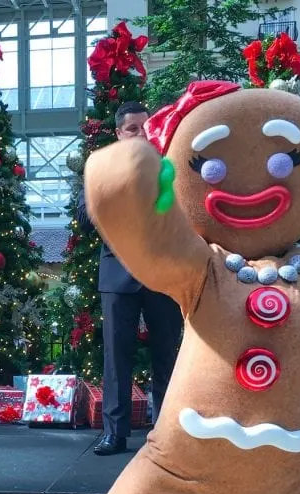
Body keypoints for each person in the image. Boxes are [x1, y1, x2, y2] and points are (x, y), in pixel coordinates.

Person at [75, 101, 183, 456]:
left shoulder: (168, 164)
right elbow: (84, 216)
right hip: (118, 275)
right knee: (116, 359)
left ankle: (166, 431)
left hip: (162, 273)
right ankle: (114, 433)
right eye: (132, 129)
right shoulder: (104, 166)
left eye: (145, 126)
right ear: (120, 133)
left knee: (166, 355)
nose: (141, 133)